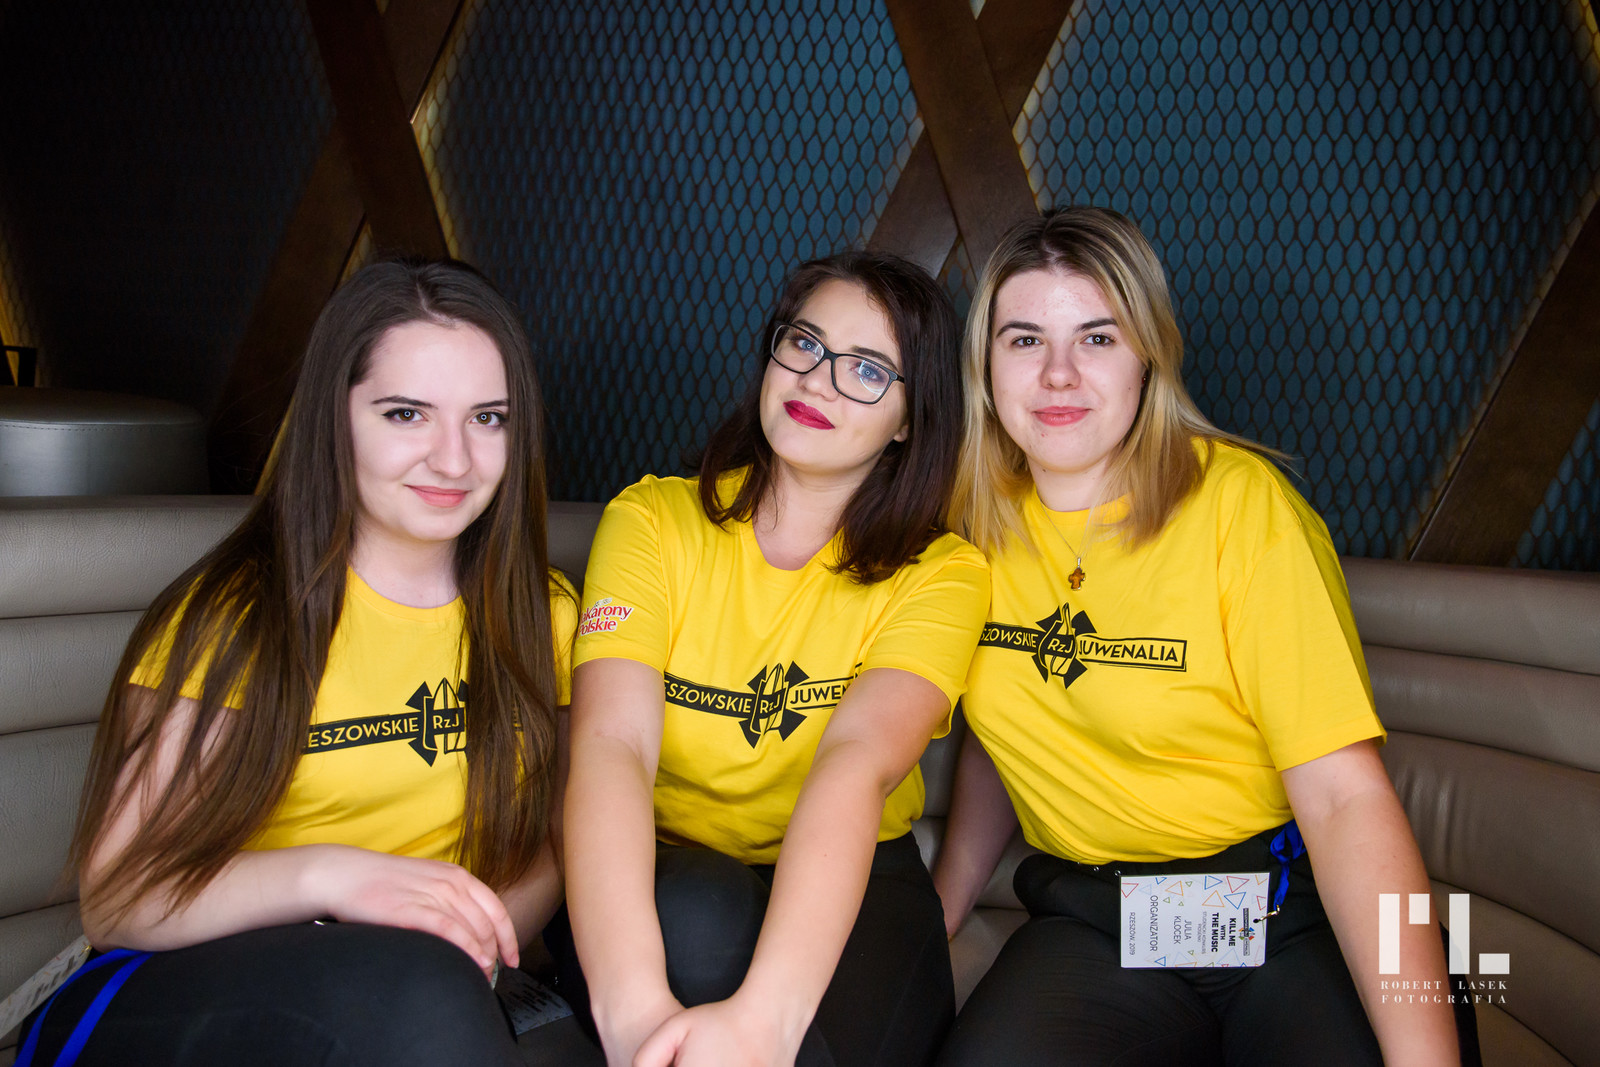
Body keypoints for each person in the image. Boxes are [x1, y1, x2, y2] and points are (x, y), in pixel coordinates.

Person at [932, 207, 1475, 1066]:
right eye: (1025, 340)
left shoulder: (1243, 508)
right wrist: (941, 910)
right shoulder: (970, 525)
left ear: (1148, 354)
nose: (1059, 373)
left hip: (1286, 915)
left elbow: (1344, 799)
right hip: (1101, 921)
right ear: (985, 366)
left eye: (1098, 338)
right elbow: (1002, 741)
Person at [19, 260, 575, 1067]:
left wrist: (478, 933)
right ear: (333, 419)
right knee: (421, 997)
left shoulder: (542, 615)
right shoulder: (241, 618)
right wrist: (338, 878)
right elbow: (120, 898)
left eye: (488, 418)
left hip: (423, 989)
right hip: (183, 989)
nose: (454, 460)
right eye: (407, 413)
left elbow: (556, 844)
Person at [559, 250, 989, 1067]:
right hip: (669, 865)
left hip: (858, 878)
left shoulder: (943, 573)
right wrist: (634, 1007)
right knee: (698, 921)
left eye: (867, 369)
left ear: (910, 418)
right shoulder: (651, 520)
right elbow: (613, 746)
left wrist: (763, 1021)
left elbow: (855, 763)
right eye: (805, 343)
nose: (819, 381)